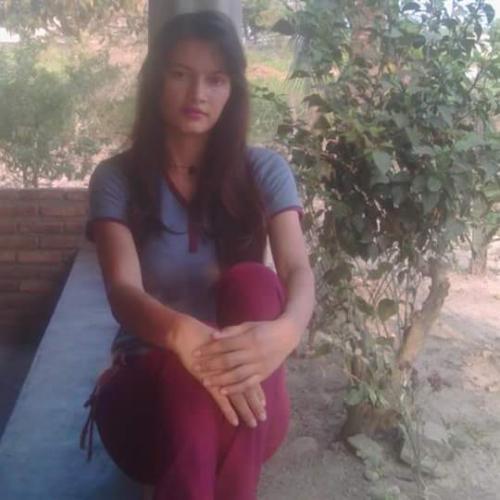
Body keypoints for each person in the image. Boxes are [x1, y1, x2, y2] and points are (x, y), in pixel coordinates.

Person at [80, 9, 315, 500]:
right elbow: (122, 291)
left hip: (250, 403)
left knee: (254, 281)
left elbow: (295, 268)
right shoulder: (117, 178)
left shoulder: (264, 170)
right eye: (180, 74)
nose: (198, 94)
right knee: (192, 371)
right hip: (145, 403)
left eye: (216, 79)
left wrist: (288, 330)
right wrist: (182, 333)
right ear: (155, 80)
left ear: (232, 90)